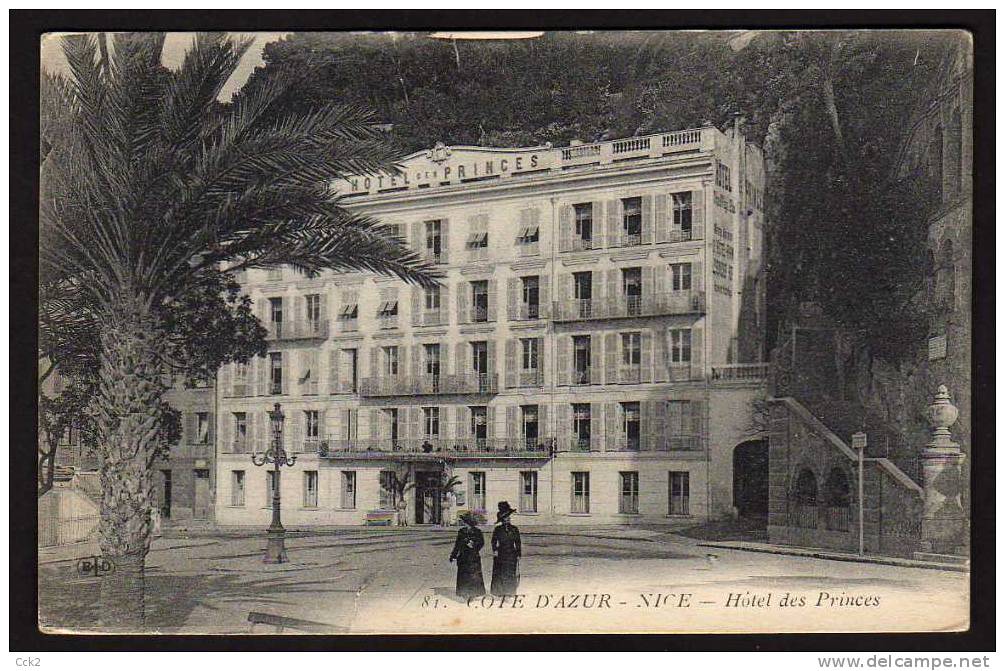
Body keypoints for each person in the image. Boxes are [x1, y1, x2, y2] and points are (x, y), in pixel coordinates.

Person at [449, 511, 486, 598]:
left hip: (474, 557)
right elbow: (457, 544)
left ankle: (473, 593)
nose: (464, 523)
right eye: (464, 522)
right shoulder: (461, 531)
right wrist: (453, 555)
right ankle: (464, 593)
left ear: (469, 523)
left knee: (474, 575)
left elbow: (481, 543)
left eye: (465, 522)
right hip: (463, 557)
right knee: (464, 575)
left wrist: (474, 545)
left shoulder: (477, 531)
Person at [490, 501, 521, 595]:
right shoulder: (498, 529)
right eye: (506, 518)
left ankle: (510, 592)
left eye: (509, 517)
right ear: (502, 520)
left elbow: (518, 542)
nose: (508, 519)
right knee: (500, 573)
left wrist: (519, 554)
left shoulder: (514, 529)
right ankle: (499, 592)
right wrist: (495, 550)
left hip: (512, 553)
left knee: (510, 573)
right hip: (501, 554)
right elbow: (493, 541)